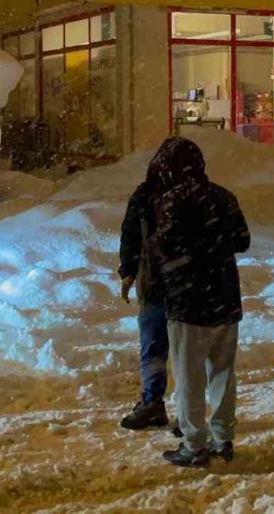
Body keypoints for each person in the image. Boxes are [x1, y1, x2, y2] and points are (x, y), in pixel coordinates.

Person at [149, 137, 251, 468]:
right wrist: (214, 245)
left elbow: (163, 248)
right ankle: (223, 439)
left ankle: (194, 445)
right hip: (224, 298)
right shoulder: (224, 196)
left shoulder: (171, 200)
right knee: (223, 373)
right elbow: (242, 241)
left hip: (188, 303)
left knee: (189, 377)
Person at [117, 153, 171, 431]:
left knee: (153, 346)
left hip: (154, 284)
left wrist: (128, 271)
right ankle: (188, 409)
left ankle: (153, 402)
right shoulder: (194, 195)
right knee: (187, 350)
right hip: (186, 286)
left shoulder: (145, 195)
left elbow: (130, 235)